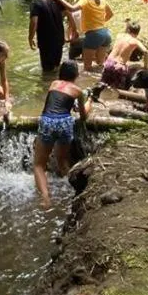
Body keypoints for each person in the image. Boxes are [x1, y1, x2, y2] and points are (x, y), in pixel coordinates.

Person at [33, 61, 90, 207]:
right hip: (65, 122)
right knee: (62, 161)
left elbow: (56, 101)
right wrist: (90, 101)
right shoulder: (78, 91)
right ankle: (74, 190)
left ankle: (45, 199)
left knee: (39, 165)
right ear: (76, 75)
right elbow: (83, 116)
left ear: (60, 73)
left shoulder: (54, 84)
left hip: (48, 121)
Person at [28, 0, 79, 72]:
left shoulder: (36, 3)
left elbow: (34, 22)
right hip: (59, 38)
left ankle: (48, 81)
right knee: (56, 66)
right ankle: (57, 79)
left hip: (46, 41)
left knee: (47, 69)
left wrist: (30, 38)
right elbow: (69, 13)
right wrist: (74, 29)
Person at [98, 20, 148, 91]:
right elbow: (146, 51)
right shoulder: (135, 41)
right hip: (119, 67)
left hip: (108, 63)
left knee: (103, 86)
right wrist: (145, 67)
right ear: (138, 32)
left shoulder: (119, 35)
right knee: (119, 91)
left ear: (128, 30)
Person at [75, 0, 114, 73]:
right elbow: (110, 14)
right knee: (100, 64)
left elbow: (72, 8)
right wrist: (100, 22)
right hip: (106, 33)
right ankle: (103, 79)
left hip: (93, 35)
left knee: (87, 68)